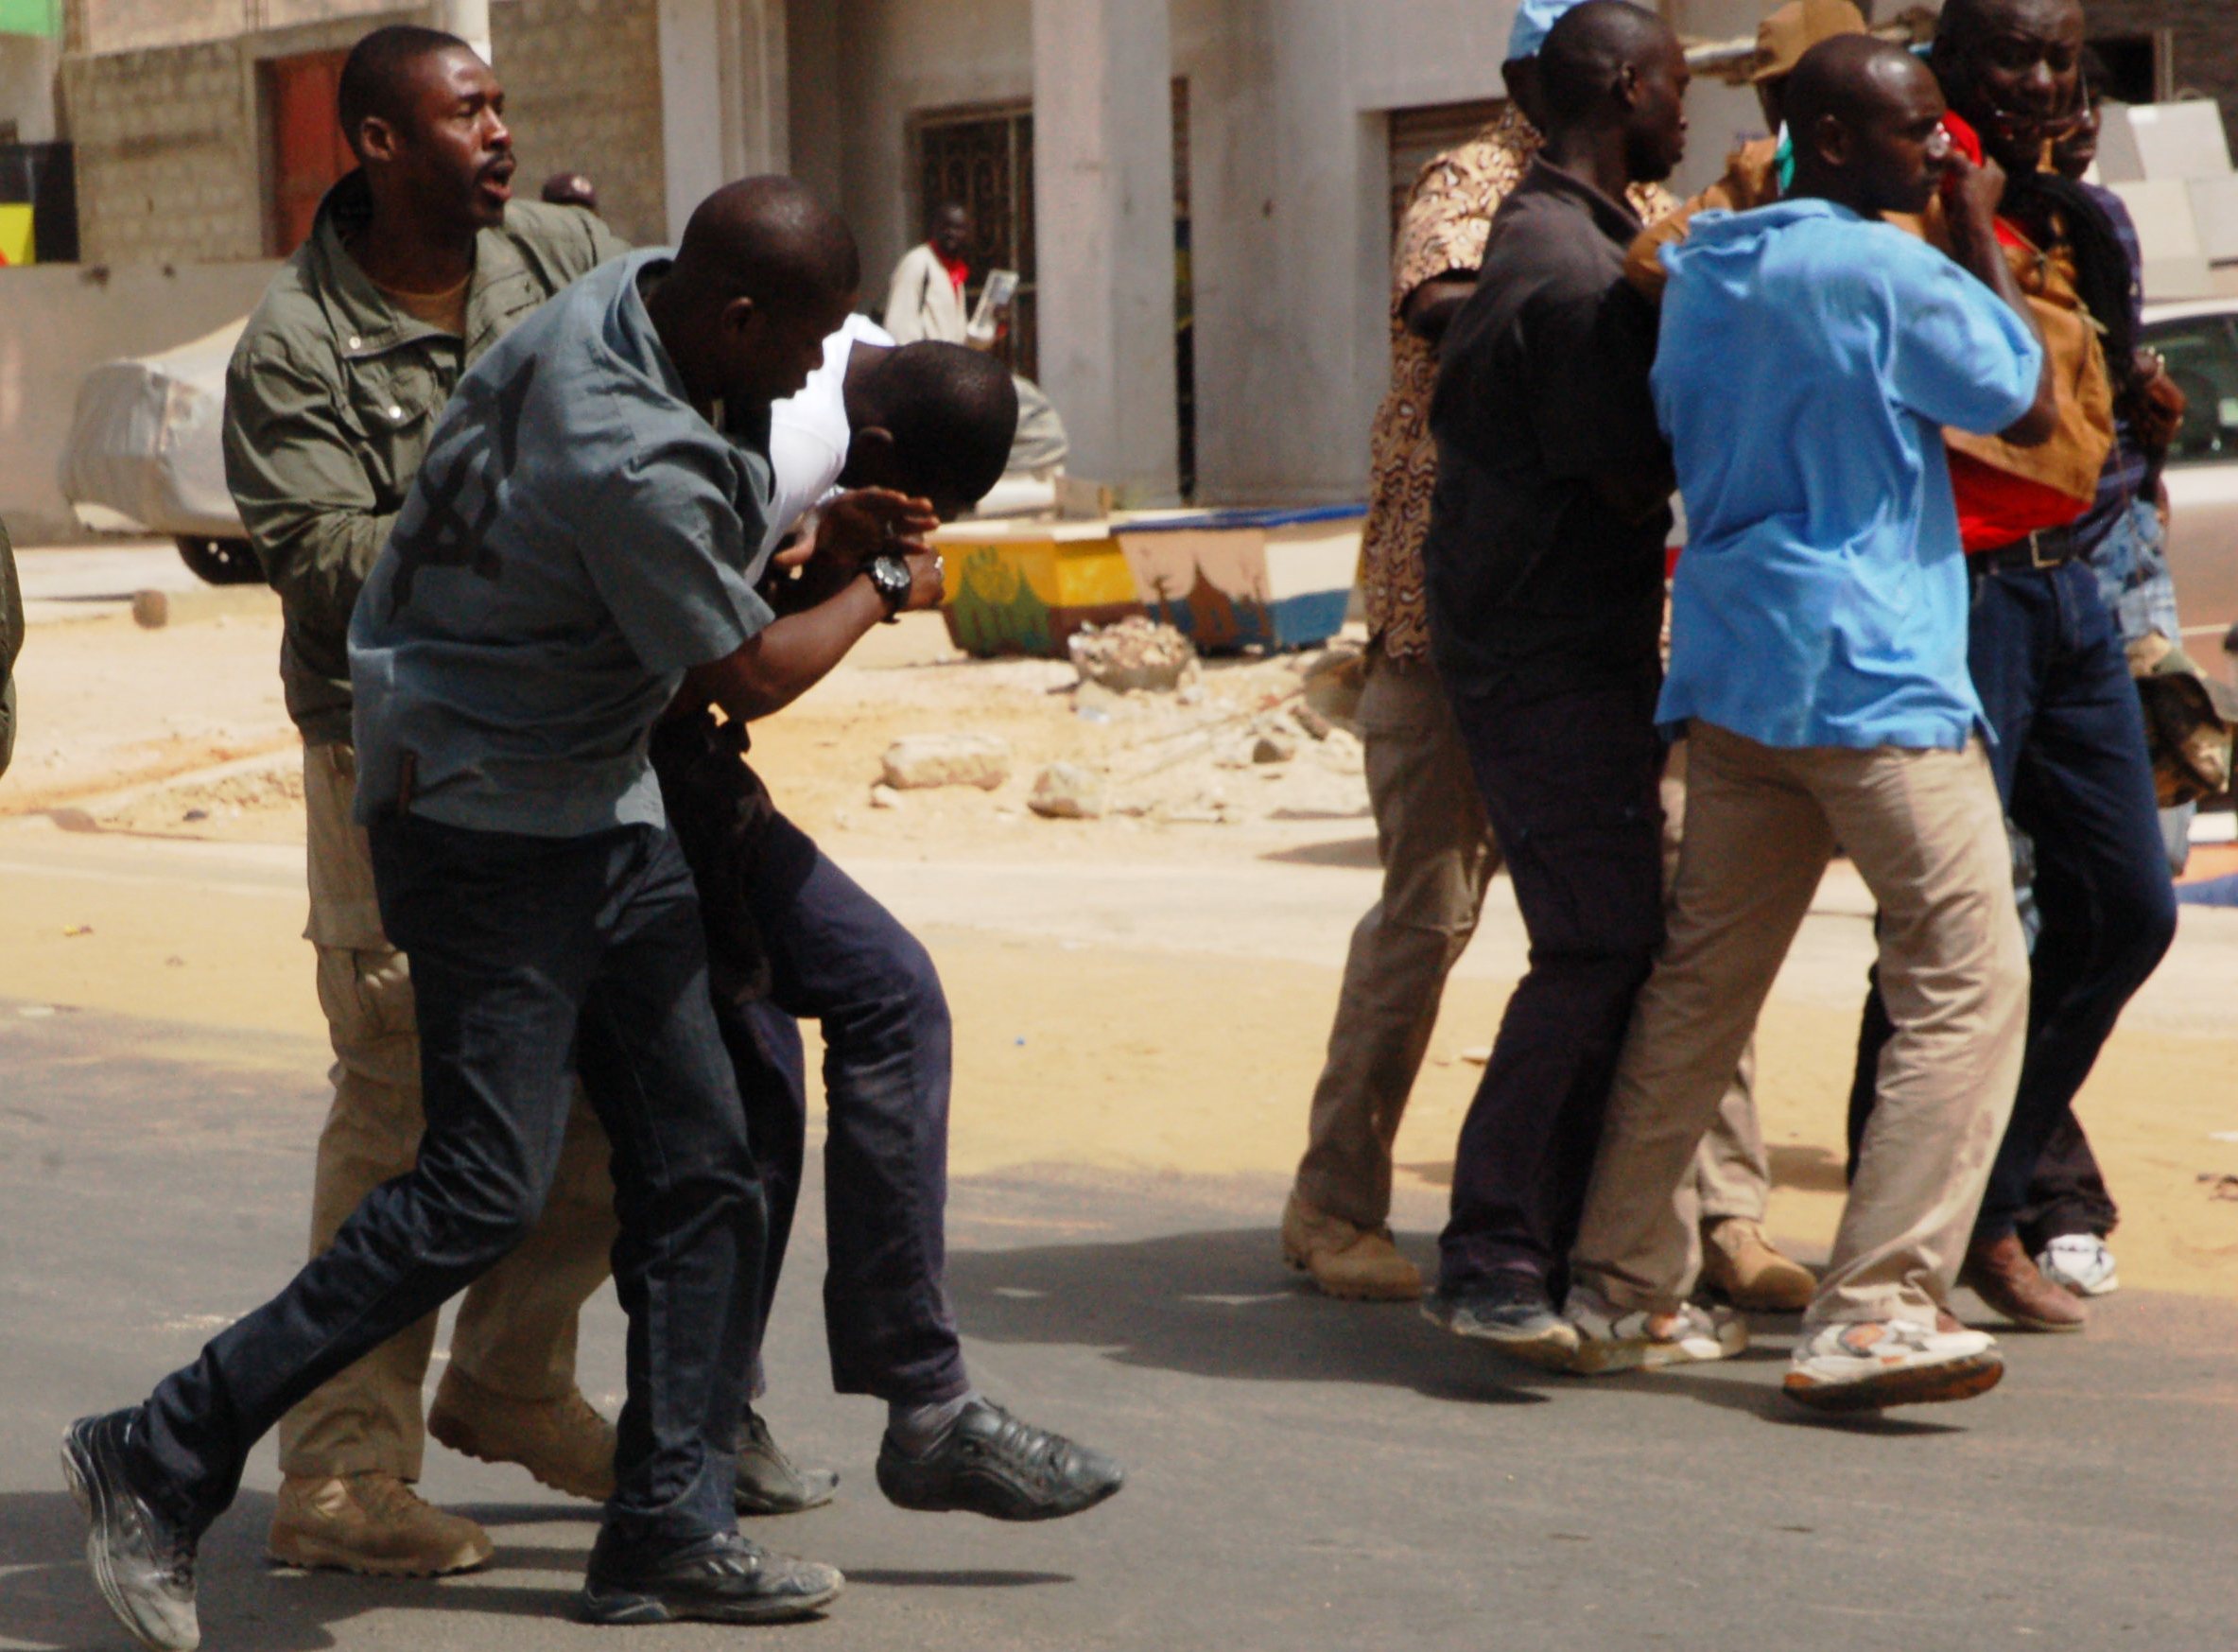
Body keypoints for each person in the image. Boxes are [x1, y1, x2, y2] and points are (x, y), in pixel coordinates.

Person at [62, 174, 887, 1651]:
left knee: (704, 1164)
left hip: (591, 794)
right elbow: (747, 674)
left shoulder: (643, 292)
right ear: (741, 313)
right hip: (481, 816)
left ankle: (667, 1526)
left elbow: (715, 566)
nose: (818, 365)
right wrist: (879, 576)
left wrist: (801, 551)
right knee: (478, 1187)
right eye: (810, 337)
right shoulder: (623, 449)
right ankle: (161, 1441)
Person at [1283, 0, 1806, 1316]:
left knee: (1662, 909)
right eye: (1670, 79)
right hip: (1441, 613)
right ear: (1589, 75)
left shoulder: (1625, 205)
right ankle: (1339, 1197)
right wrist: (1633, 299)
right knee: (1436, 913)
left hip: (1586, 616)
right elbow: (1446, 305)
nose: (1687, 107)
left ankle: (1716, 1207)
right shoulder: (1488, 190)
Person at [1564, 35, 2056, 1410]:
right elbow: (2024, 395)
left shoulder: (1706, 265)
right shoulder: (1885, 265)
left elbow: (1660, 327)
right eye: (1915, 138)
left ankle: (1617, 1287)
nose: (1938, 156)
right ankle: (1877, 1302)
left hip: (1733, 674)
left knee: (1701, 990)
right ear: (1829, 141)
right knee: (1967, 975)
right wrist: (1973, 232)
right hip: (1871, 678)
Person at [219, 24, 632, 1577]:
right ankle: (337, 1473)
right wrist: (522, 511)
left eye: (502, 104)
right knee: (402, 1109)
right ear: (382, 143)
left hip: (573, 740)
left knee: (611, 1068)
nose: (499, 132)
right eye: (467, 113)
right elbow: (327, 573)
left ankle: (515, 1376)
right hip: (393, 755)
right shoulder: (297, 346)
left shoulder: (571, 257)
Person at [659, 321, 1125, 1524]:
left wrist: (833, 557)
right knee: (791, 1065)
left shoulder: (845, 354)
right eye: (923, 500)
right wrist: (870, 584)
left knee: (841, 1024)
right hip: (632, 780)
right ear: (876, 447)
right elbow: (733, 667)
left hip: (677, 774)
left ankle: (808, 1415)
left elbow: (745, 600)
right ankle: (815, 1427)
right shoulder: (799, 440)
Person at [1843, 0, 2178, 1335]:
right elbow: (1991, 392)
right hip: (1952, 593)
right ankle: (1904, 1237)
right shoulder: (1904, 204)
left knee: (2127, 906)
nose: (2043, 82)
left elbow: (2089, 406)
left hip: (2074, 586)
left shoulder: (2080, 217)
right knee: (1947, 933)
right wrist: (1967, 213)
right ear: (1945, 72)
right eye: (2011, 58)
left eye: (2061, 58)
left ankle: (1984, 1187)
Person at [1413, 0, 1693, 1361]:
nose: (1690, 112)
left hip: (1550, 642)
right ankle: (1489, 1252)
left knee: (1615, 942)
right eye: (1678, 86)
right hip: (1541, 652)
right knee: (1590, 944)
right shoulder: (1575, 275)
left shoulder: (1566, 237)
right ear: (1627, 88)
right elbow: (1627, 474)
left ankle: (1569, 1233)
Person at [882, 201, 997, 347]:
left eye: (959, 229)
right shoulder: (918, 263)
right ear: (934, 229)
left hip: (949, 366)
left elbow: (963, 343)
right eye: (946, 227)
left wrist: (993, 322)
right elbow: (899, 330)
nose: (951, 233)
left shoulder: (954, 272)